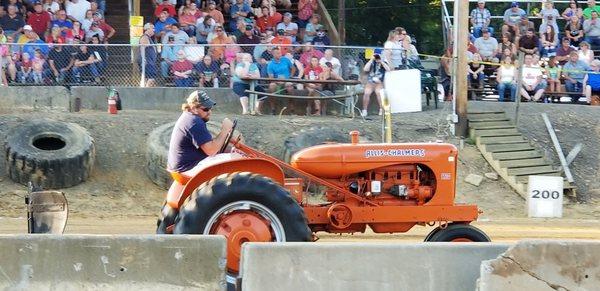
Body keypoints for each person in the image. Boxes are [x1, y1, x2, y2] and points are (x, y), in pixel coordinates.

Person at [166, 90, 234, 179]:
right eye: (205, 109)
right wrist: (225, 130)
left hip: (184, 166)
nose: (209, 112)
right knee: (236, 158)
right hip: (187, 169)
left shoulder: (189, 117)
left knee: (233, 151)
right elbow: (211, 150)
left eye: (210, 108)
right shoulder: (194, 122)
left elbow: (209, 144)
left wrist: (230, 143)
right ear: (194, 108)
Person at [361, 53, 390, 117]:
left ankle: (381, 109)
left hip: (379, 83)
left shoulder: (384, 62)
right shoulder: (371, 62)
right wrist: (371, 59)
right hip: (370, 83)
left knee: (379, 93)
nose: (377, 57)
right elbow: (365, 69)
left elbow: (388, 69)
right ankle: (364, 110)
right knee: (366, 93)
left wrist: (381, 61)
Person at [139, 23, 158, 87]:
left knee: (148, 77)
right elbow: (142, 47)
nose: (154, 30)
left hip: (151, 61)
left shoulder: (149, 38)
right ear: (147, 29)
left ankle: (145, 89)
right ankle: (146, 89)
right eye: (152, 28)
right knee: (151, 77)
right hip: (148, 61)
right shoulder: (144, 37)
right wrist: (143, 58)